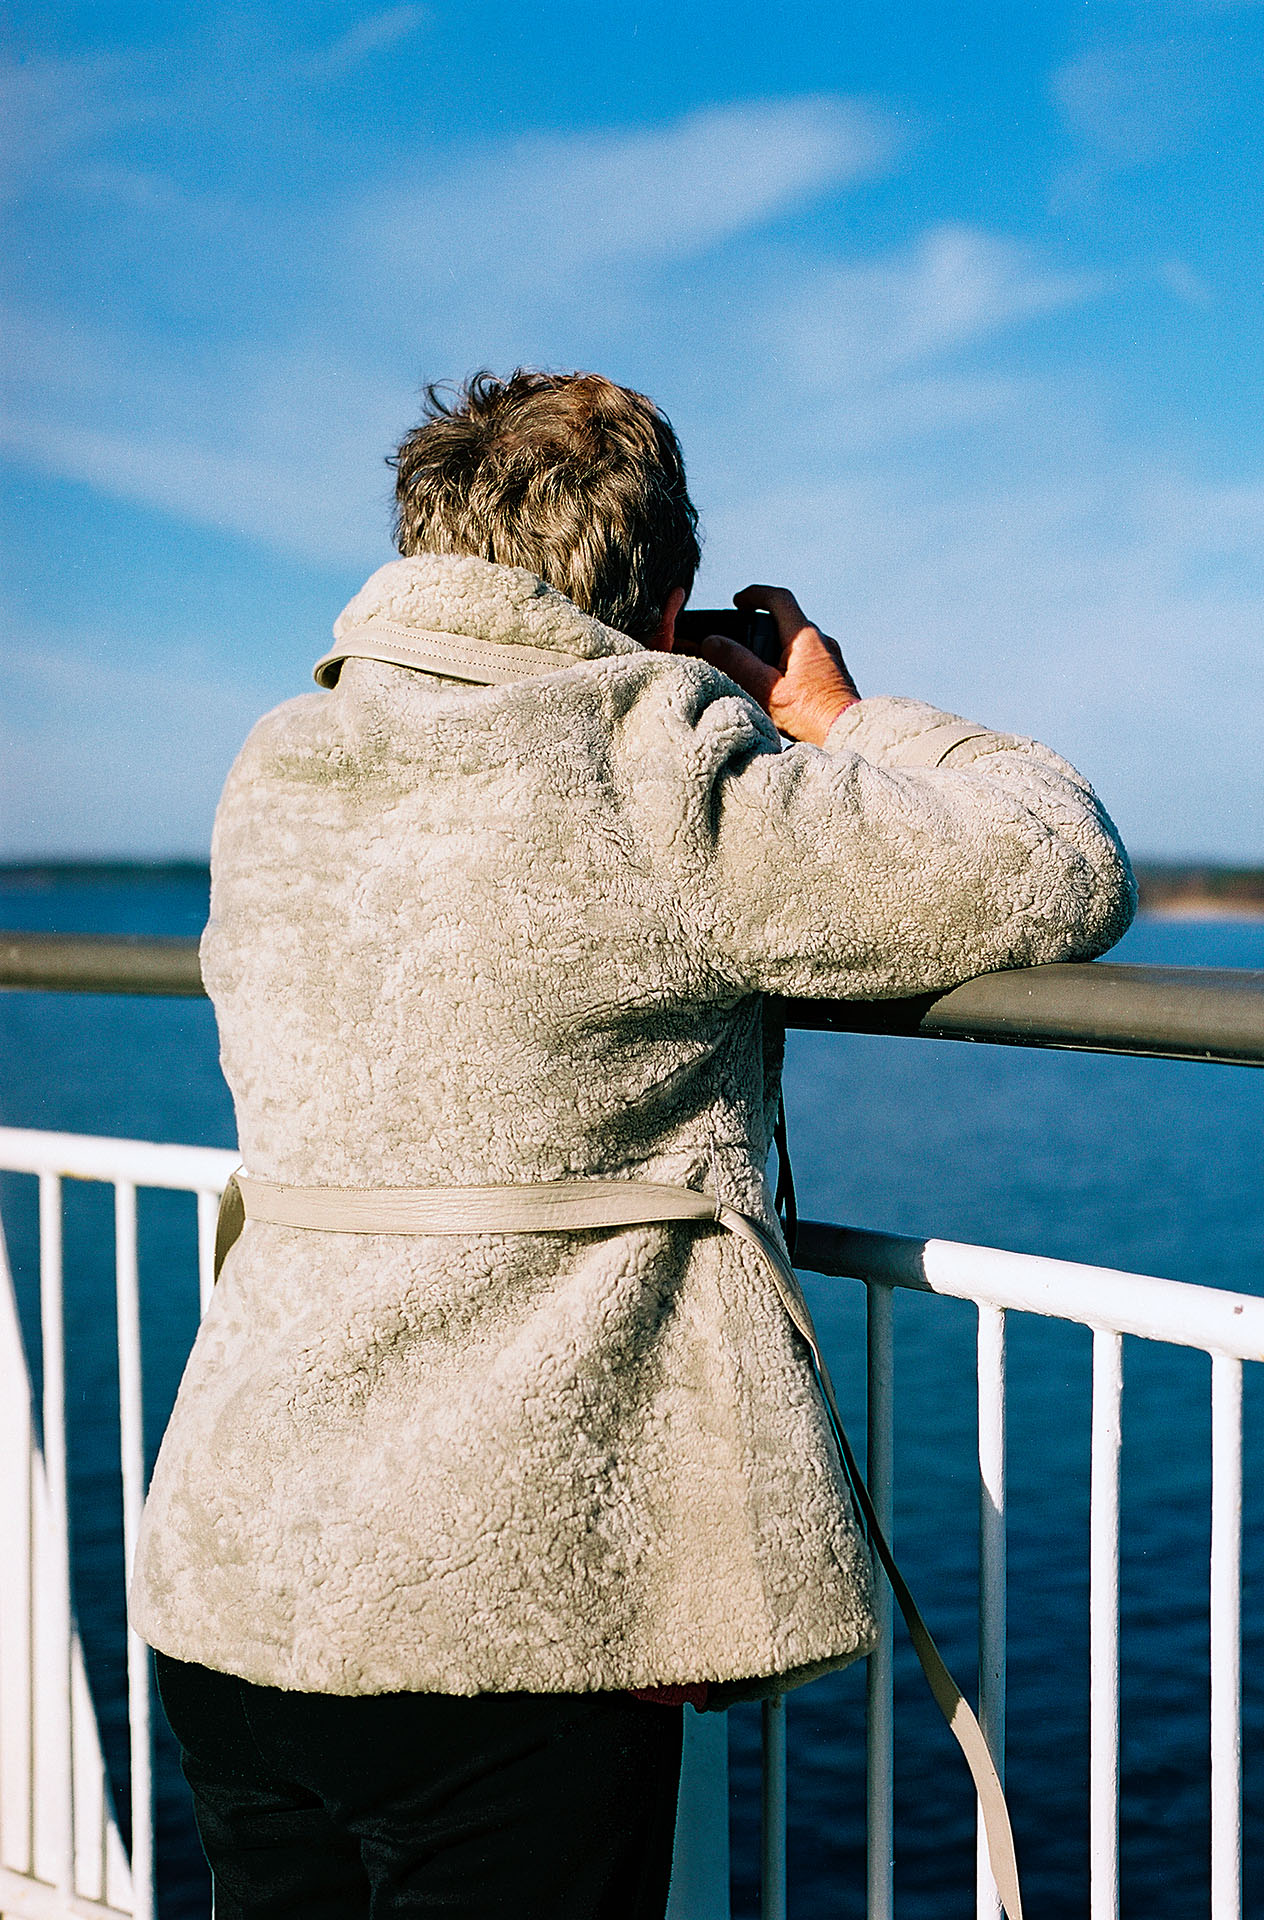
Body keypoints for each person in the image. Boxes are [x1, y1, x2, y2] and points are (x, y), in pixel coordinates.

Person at [130, 368, 1135, 1919]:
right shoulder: (651, 763)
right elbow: (1056, 864)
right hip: (502, 1614)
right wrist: (831, 715)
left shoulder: (279, 762)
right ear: (664, 603)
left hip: (242, 1571)